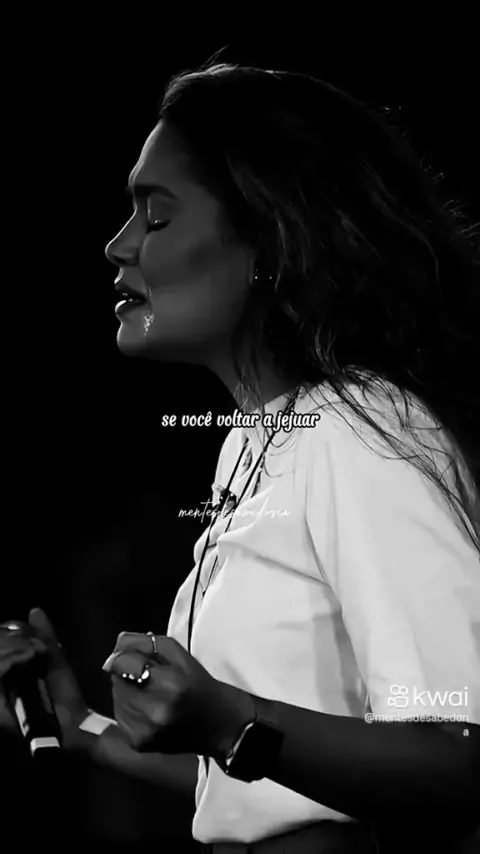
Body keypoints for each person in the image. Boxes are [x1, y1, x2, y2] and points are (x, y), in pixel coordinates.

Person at [1, 55, 480, 853]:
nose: (117, 246)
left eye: (155, 217)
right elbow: (251, 777)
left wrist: (230, 719)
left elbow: (459, 759)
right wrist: (82, 724)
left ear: (269, 239)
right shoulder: (255, 445)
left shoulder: (366, 430)